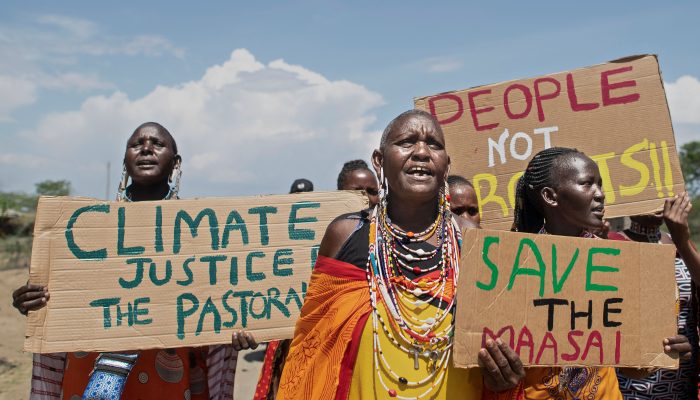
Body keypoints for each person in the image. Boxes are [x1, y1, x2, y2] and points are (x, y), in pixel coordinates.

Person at [275, 110, 525, 400]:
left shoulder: (473, 241)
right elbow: (313, 354)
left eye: (434, 144)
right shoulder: (345, 235)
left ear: (446, 165)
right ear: (379, 161)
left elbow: (499, 341)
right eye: (407, 142)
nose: (421, 152)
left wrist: (502, 377)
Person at [12, 122, 257, 400]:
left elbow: (217, 298)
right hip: (86, 374)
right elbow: (66, 292)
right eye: (137, 144)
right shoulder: (85, 229)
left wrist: (236, 326)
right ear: (125, 161)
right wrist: (35, 301)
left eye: (157, 144)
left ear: (175, 163)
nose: (146, 149)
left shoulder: (199, 232)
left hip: (167, 380)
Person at [494, 146, 692, 400]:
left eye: (600, 185)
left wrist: (661, 350)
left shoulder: (614, 262)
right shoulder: (514, 265)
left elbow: (631, 367)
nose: (600, 195)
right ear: (550, 196)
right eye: (587, 184)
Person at [611, 193, 700, 399]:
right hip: (625, 390)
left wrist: (682, 240)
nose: (661, 197)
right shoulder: (611, 244)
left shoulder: (682, 246)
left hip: (682, 388)